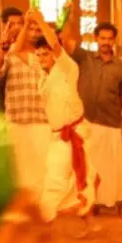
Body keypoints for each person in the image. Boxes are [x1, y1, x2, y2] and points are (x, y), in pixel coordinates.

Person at [66, 21, 122, 220]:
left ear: (114, 40)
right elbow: (65, 40)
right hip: (87, 122)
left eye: (109, 39)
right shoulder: (84, 58)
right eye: (102, 38)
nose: (105, 42)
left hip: (111, 122)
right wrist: (68, 16)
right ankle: (93, 203)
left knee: (116, 167)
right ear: (96, 39)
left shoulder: (121, 67)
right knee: (91, 166)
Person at [36, 16, 95, 227]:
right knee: (68, 180)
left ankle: (45, 223)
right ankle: (80, 219)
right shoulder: (43, 77)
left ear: (55, 53)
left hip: (74, 133)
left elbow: (55, 44)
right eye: (38, 55)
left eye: (46, 54)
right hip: (59, 135)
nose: (41, 58)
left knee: (61, 180)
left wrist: (39, 20)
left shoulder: (68, 68)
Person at [0, 10, 50, 196]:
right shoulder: (10, 51)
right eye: (30, 27)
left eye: (37, 28)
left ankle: (39, 207)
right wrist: (1, 53)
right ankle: (20, 205)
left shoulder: (45, 54)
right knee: (17, 171)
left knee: (42, 169)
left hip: (42, 119)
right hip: (16, 118)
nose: (34, 32)